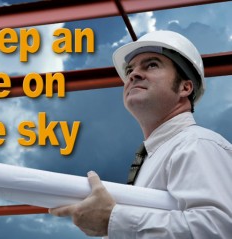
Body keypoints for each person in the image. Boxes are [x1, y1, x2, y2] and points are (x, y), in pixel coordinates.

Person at [49, 30, 232, 238]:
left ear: (185, 87)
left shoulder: (197, 144)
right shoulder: (152, 158)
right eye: (129, 70)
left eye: (151, 64)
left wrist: (113, 219)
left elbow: (218, 229)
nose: (133, 75)